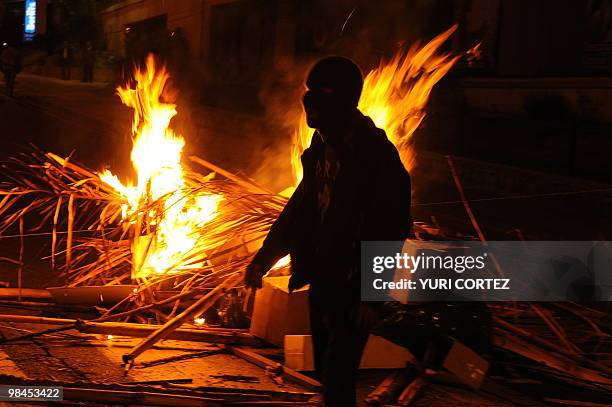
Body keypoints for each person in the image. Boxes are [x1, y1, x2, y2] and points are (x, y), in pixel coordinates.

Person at [245, 56, 412, 406]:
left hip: (354, 283)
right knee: (327, 370)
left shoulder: (377, 159)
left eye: (321, 106)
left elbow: (390, 228)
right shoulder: (319, 151)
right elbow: (300, 211)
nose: (313, 121)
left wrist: (372, 294)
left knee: (339, 375)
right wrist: (264, 257)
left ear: (343, 106)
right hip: (324, 277)